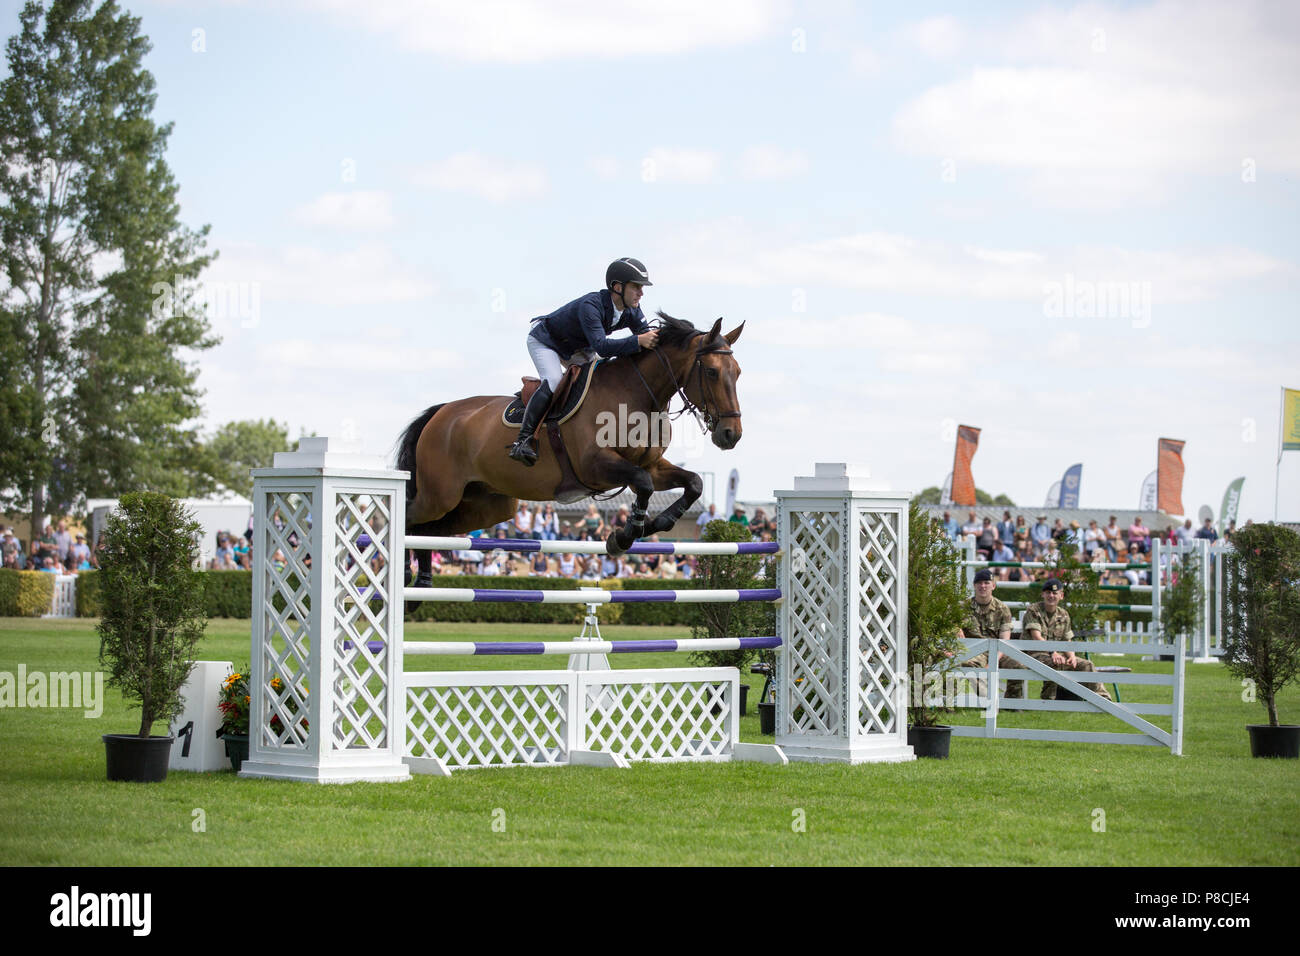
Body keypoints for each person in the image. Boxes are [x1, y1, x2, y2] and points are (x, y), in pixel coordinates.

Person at [508, 257, 658, 465]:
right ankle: (522, 441)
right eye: (636, 287)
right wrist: (638, 340)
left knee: (600, 380)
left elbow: (645, 338)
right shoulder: (591, 305)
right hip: (546, 340)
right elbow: (603, 347)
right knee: (553, 381)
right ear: (617, 287)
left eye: (641, 288)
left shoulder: (632, 309)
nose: (641, 293)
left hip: (578, 347)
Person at [1005, 578, 1112, 701]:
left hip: (1056, 655)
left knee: (1087, 665)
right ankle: (1048, 700)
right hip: (1033, 655)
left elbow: (1067, 640)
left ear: (1061, 596)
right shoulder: (1033, 611)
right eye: (1048, 592)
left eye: (1055, 593)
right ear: (1043, 594)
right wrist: (1053, 652)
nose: (1051, 596)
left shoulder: (1064, 614)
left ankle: (1102, 700)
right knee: (1055, 663)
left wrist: (1071, 656)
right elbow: (1036, 637)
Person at [956, 569, 1014, 699]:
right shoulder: (963, 607)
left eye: (986, 583)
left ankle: (1012, 703)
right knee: (968, 664)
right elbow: (950, 625)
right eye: (979, 583)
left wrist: (993, 661)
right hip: (974, 651)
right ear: (974, 585)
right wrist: (955, 628)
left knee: (1018, 665)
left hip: (998, 651)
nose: (983, 586)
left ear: (993, 586)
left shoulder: (1002, 609)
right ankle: (987, 699)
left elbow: (1005, 641)